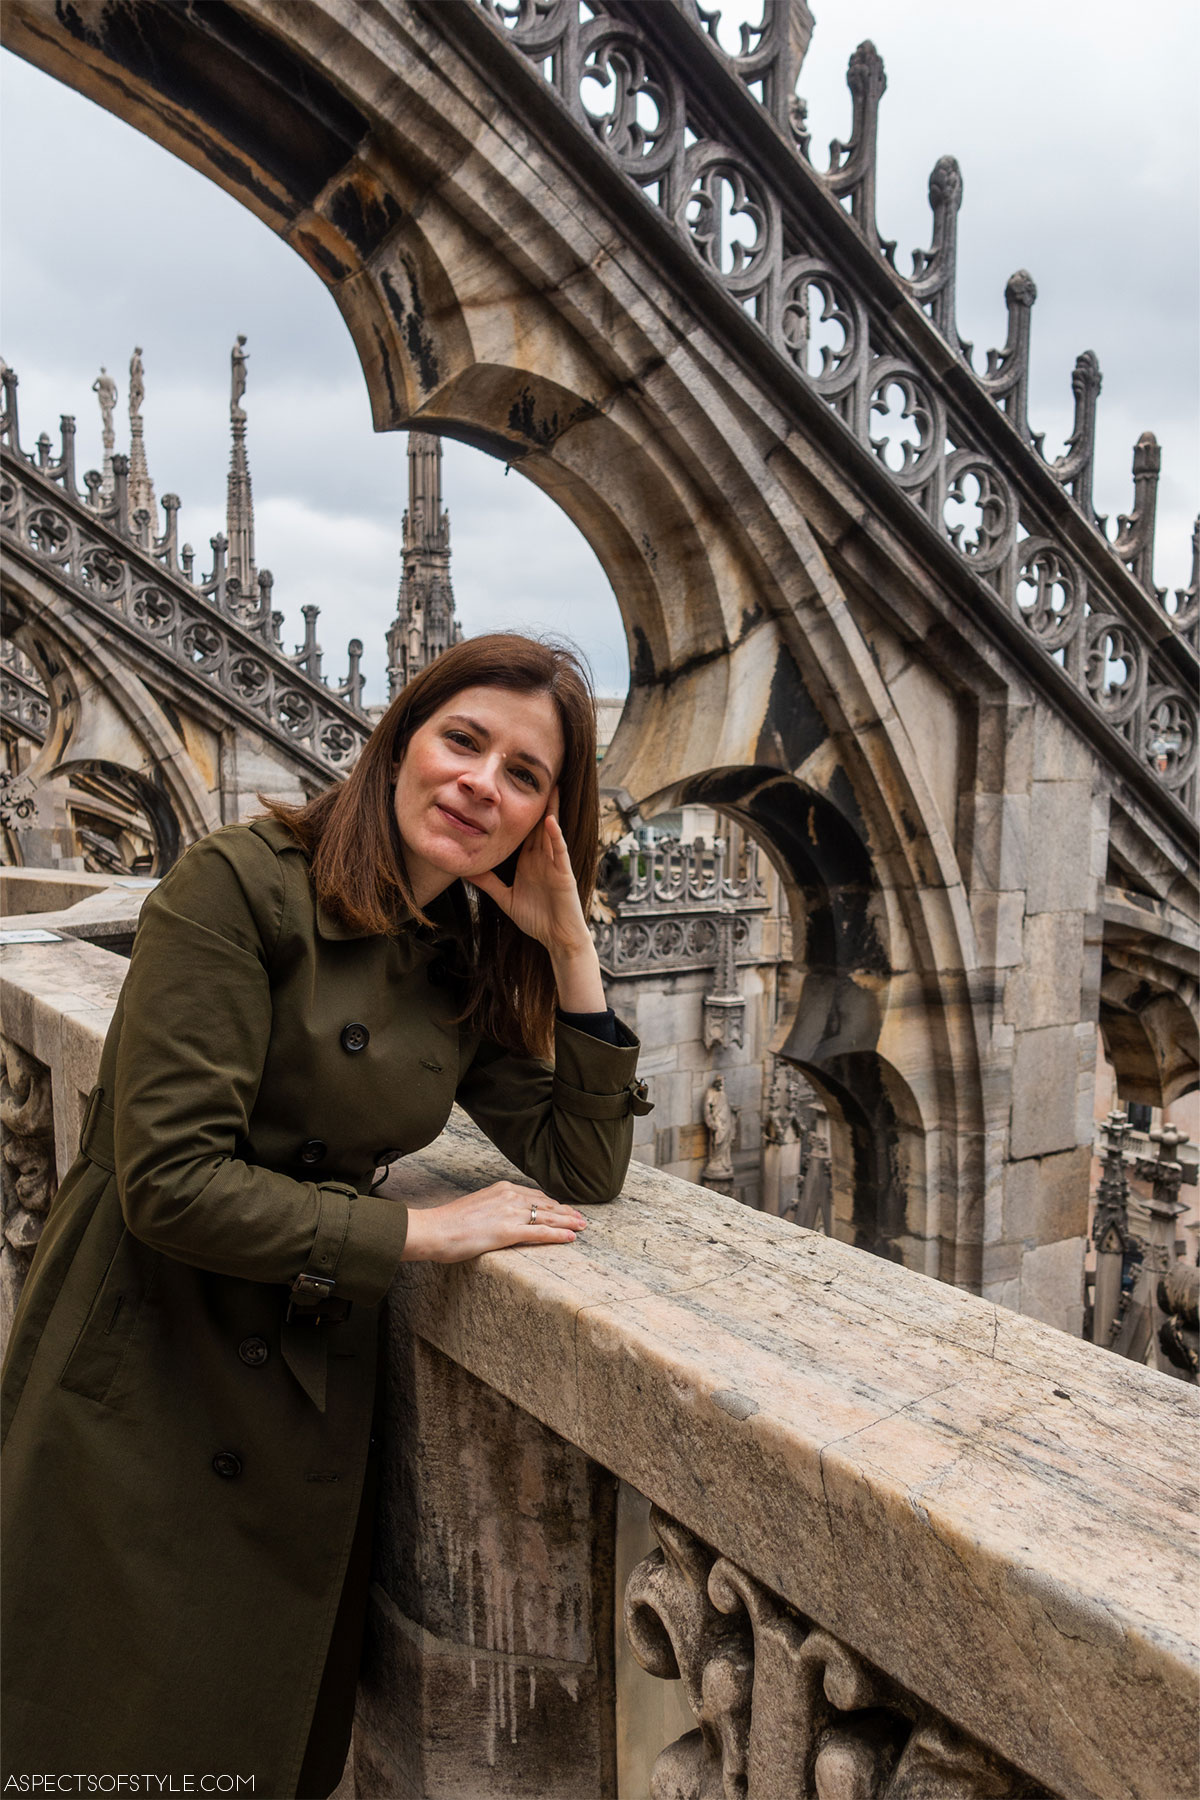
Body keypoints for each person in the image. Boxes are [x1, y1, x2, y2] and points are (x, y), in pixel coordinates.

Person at [0, 633, 651, 1798]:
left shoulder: (459, 951)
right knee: (98, 1733)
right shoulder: (237, 885)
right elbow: (168, 1181)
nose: (480, 785)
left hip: (297, 1394)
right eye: (464, 741)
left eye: (523, 775)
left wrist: (569, 943)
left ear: (547, 819)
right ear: (400, 737)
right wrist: (416, 1234)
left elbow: (582, 1160)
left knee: (246, 1739)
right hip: (145, 1370)